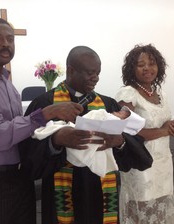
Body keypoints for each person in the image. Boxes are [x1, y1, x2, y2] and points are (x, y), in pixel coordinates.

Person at [0, 17, 84, 224]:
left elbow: (20, 132)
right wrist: (44, 114)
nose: (6, 44)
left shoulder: (7, 84)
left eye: (10, 39)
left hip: (20, 177)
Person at [19, 45, 151, 224]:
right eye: (90, 73)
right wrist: (56, 141)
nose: (95, 78)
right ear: (71, 71)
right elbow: (27, 157)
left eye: (98, 73)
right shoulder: (45, 104)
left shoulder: (107, 104)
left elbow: (139, 153)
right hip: (63, 192)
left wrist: (118, 140)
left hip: (101, 191)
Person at [115, 44, 174, 223]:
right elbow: (126, 130)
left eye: (152, 63)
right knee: (143, 208)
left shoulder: (160, 92)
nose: (147, 68)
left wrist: (172, 125)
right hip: (141, 163)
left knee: (161, 206)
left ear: (159, 66)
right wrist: (164, 130)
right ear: (132, 68)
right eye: (141, 64)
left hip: (163, 160)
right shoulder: (128, 93)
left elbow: (162, 121)